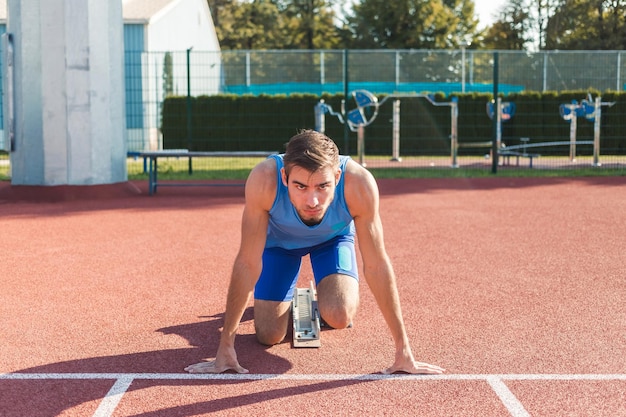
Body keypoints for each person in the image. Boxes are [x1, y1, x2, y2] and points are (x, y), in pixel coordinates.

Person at [185, 130, 444, 375]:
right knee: (268, 335)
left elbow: (377, 265)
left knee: (339, 315)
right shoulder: (264, 180)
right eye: (300, 187)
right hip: (279, 247)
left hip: (332, 241)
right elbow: (247, 262)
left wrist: (403, 350)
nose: (313, 201)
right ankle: (287, 301)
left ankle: (318, 299)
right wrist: (225, 347)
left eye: (322, 186)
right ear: (285, 177)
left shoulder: (360, 184)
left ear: (338, 177)